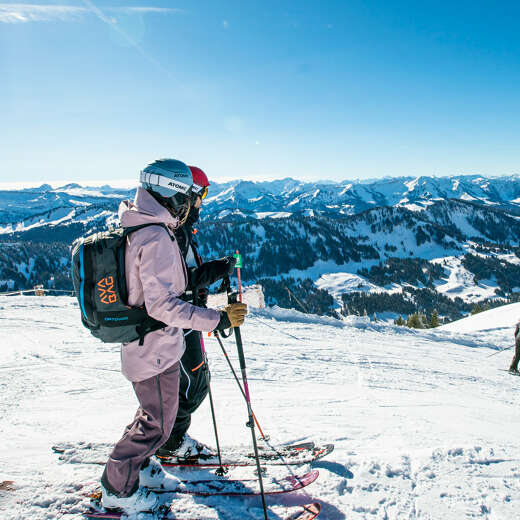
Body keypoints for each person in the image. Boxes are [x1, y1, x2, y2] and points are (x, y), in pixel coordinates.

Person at [100, 158, 247, 514]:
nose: (191, 205)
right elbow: (163, 305)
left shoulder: (149, 227)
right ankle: (118, 488)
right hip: (154, 347)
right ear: (174, 195)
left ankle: (142, 468)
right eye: (191, 197)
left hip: (153, 346)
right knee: (158, 423)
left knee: (155, 416)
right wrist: (217, 319)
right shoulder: (155, 236)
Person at [156, 165, 236, 459]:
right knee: (194, 386)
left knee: (181, 384)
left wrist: (217, 268)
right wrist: (217, 270)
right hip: (181, 319)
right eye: (201, 195)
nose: (203, 202)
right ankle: (171, 442)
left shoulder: (180, 230)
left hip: (186, 317)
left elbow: (186, 275)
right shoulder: (173, 233)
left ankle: (163, 437)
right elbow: (181, 282)